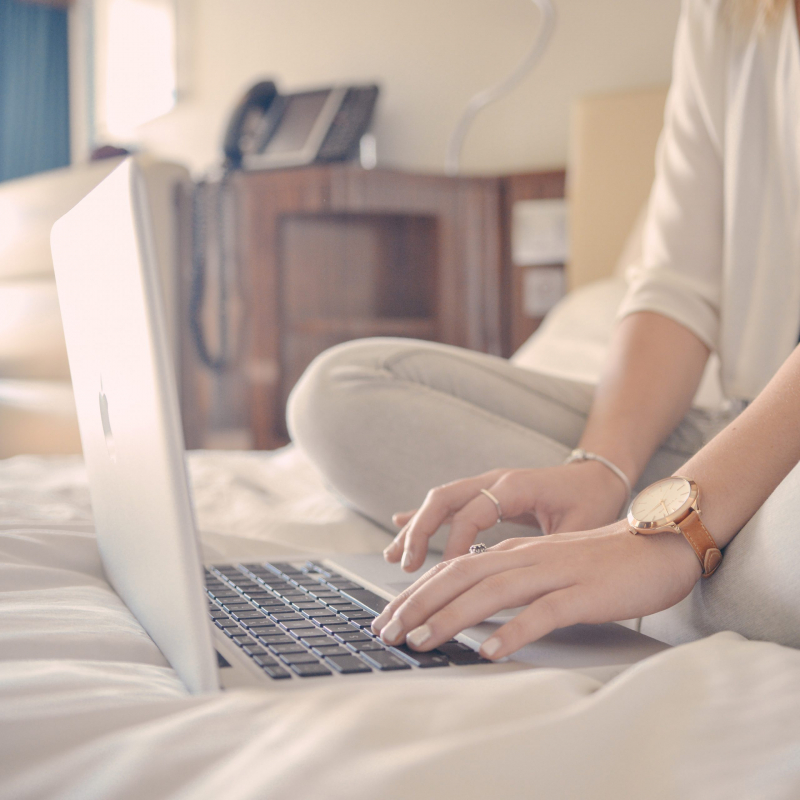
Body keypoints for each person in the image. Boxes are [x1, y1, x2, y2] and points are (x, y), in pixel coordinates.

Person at [287, 0, 800, 660]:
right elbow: (678, 286)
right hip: (746, 428)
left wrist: (673, 534)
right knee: (344, 391)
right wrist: (603, 468)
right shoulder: (728, 13)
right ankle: (648, 569)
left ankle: (644, 572)